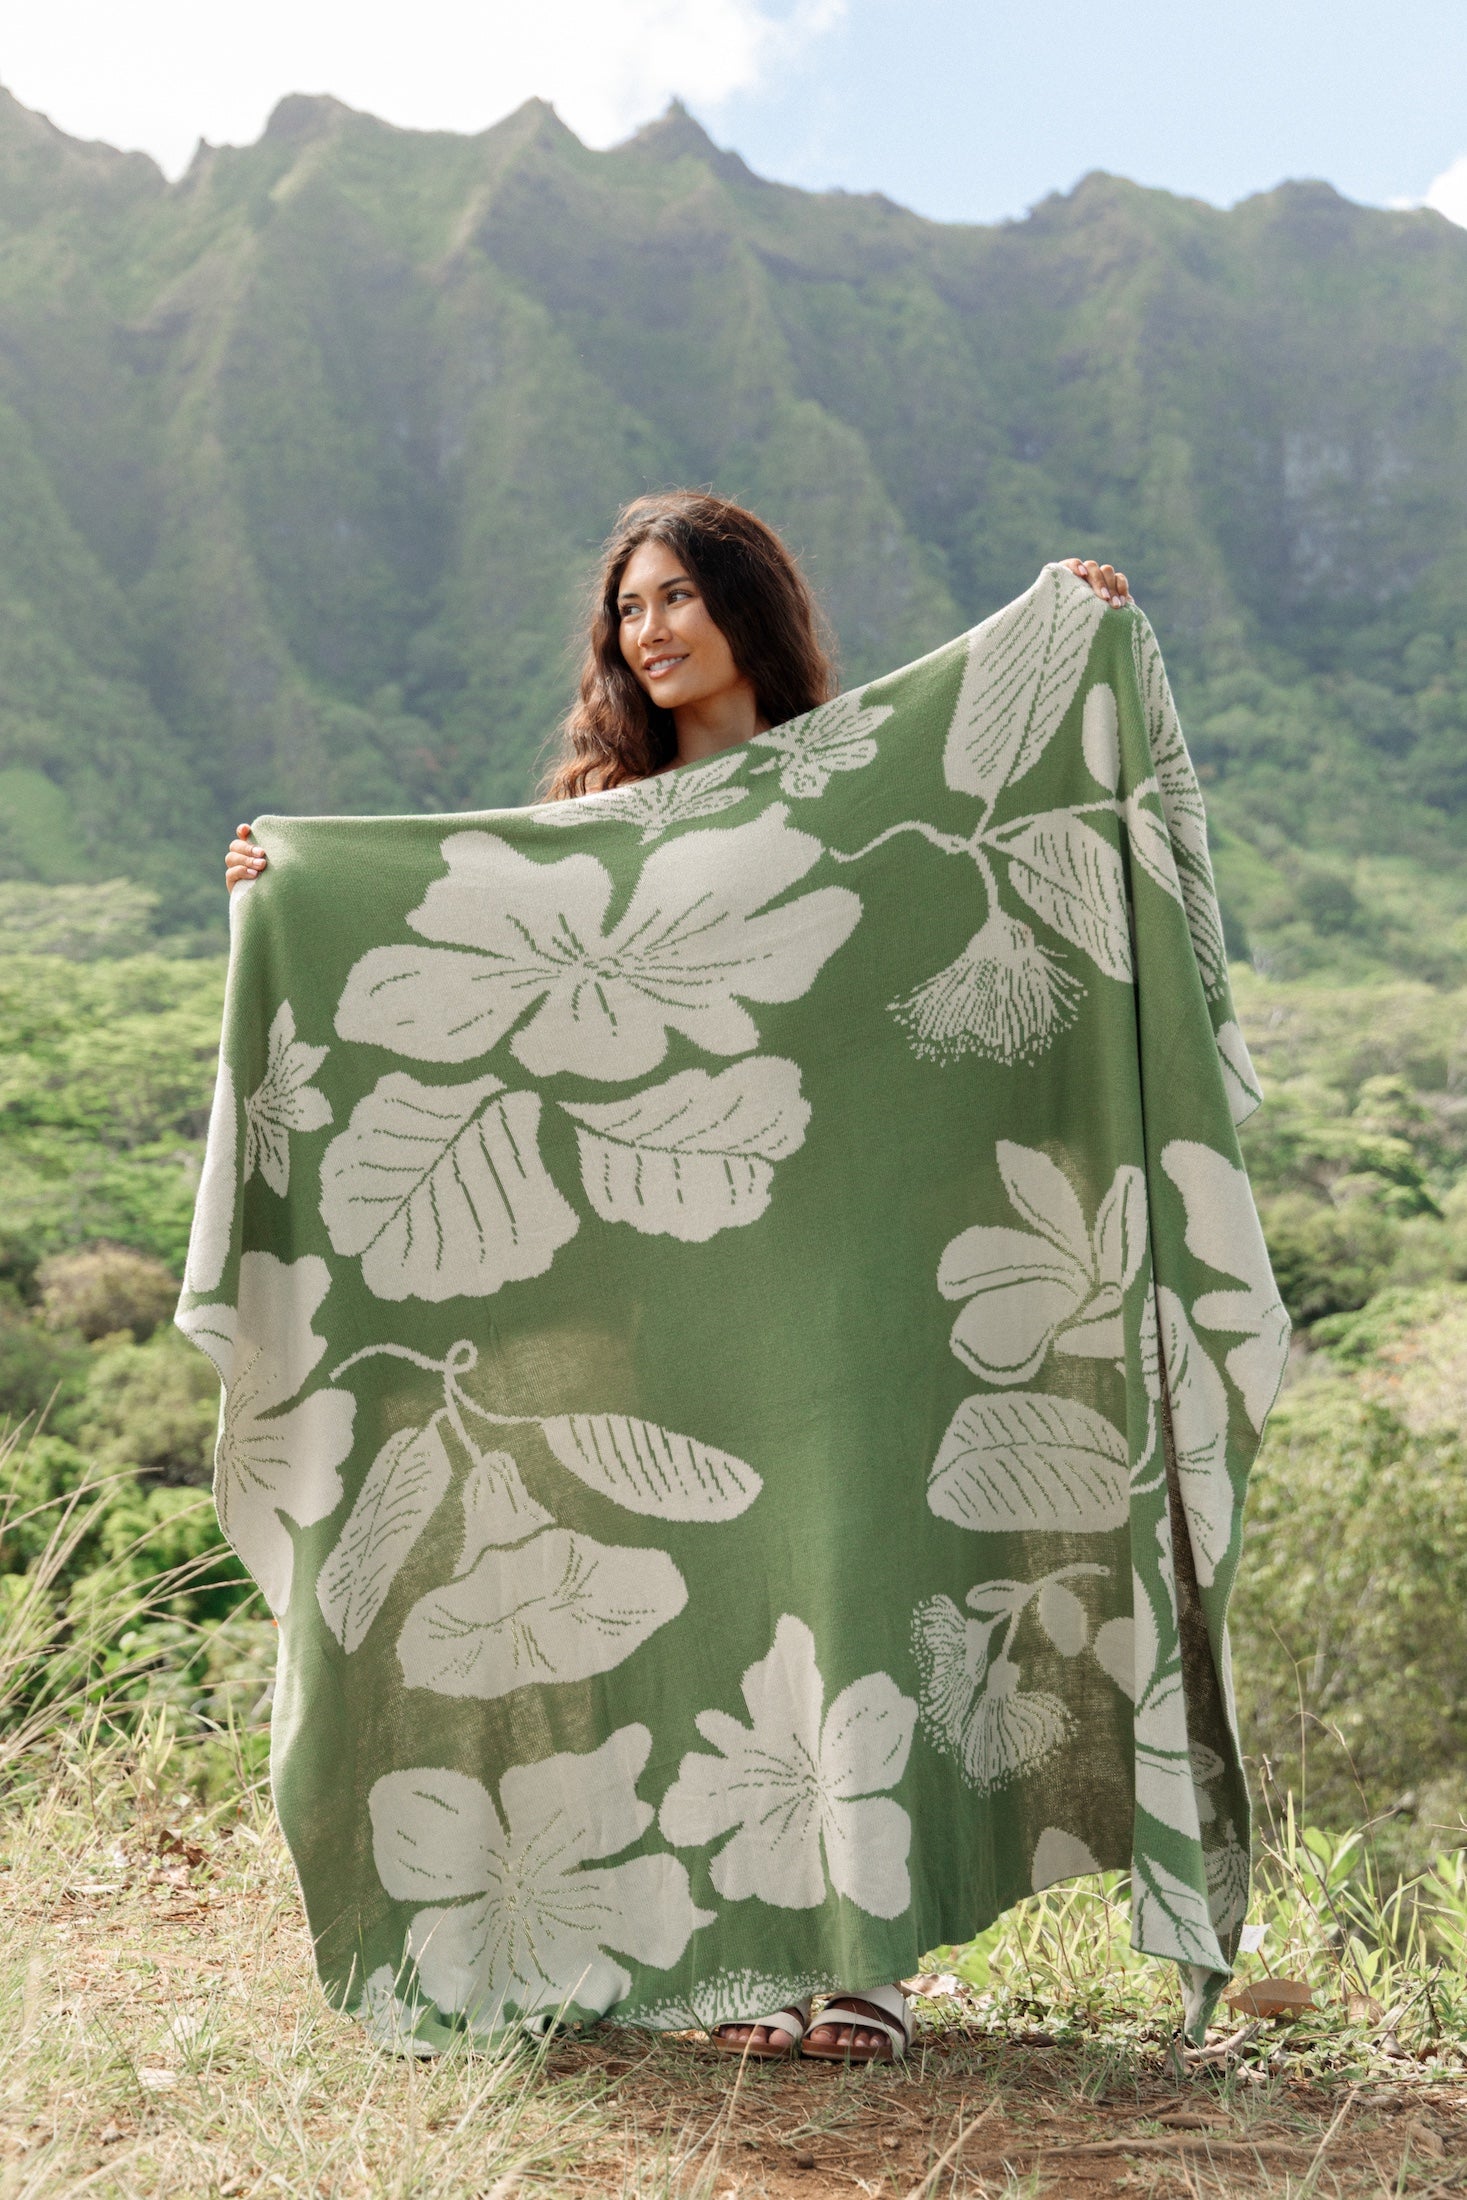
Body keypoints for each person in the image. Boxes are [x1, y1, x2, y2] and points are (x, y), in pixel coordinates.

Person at [222, 493, 1130, 2061]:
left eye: (673, 599)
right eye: (625, 610)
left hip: (837, 1288)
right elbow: (461, 950)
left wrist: (1068, 633)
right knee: (683, 1613)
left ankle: (862, 1968)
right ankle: (681, 1957)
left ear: (746, 607)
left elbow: (965, 856)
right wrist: (288, 895)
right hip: (658, 1301)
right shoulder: (597, 816)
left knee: (838, 1591)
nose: (647, 632)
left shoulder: (858, 790)